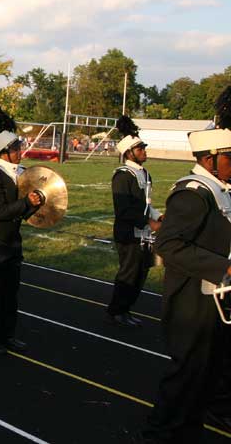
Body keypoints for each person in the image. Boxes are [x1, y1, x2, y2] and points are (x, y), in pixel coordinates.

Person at [144, 88, 231, 442]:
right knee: (186, 374)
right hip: (191, 303)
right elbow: (169, 244)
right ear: (210, 159)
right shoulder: (193, 191)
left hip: (215, 300)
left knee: (208, 373)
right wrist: (223, 268)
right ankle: (157, 434)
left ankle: (187, 429)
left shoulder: (220, 188)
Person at [0, 103, 43, 355]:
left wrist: (35, 206)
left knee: (10, 294)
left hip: (12, 242)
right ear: (5, 152)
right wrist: (26, 202)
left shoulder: (20, 174)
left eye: (19, 147)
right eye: (16, 148)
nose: (21, 151)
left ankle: (6, 334)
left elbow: (21, 214)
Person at [106, 116, 162, 327]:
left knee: (141, 274)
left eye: (143, 148)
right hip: (128, 234)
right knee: (128, 274)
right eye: (140, 149)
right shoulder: (122, 175)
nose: (144, 151)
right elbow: (124, 210)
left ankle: (126, 309)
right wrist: (149, 221)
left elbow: (144, 204)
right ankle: (116, 311)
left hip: (143, 232)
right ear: (129, 153)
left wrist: (157, 216)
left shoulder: (144, 173)